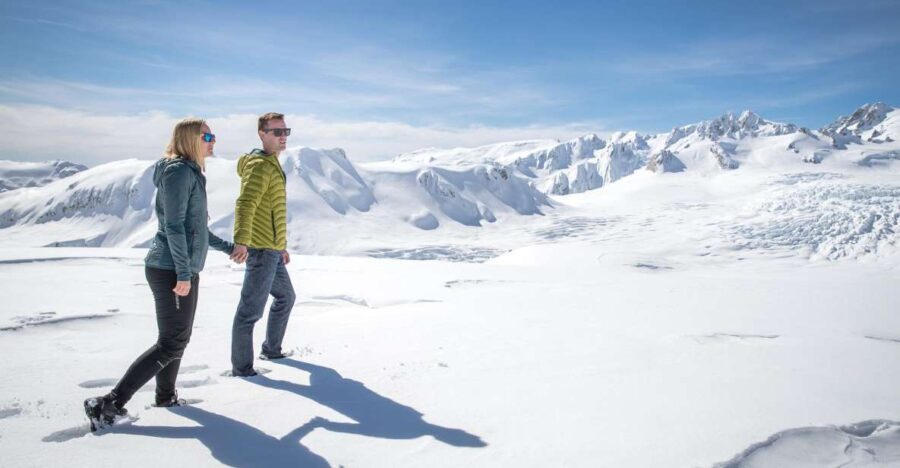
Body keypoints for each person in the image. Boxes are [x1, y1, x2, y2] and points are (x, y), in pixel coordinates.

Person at [83, 118, 246, 431]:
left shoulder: (191, 174)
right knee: (171, 343)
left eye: (213, 136)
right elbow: (172, 226)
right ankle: (108, 404)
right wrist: (183, 274)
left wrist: (229, 248)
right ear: (190, 140)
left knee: (176, 340)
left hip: (181, 268)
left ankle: (165, 396)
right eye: (208, 136)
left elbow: (195, 228)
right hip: (170, 268)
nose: (214, 141)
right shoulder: (177, 173)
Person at [229, 112, 296, 377]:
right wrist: (241, 241)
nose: (282, 137)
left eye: (285, 132)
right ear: (262, 134)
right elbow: (246, 204)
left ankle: (272, 349)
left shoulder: (271, 163)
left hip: (272, 249)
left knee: (286, 296)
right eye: (276, 132)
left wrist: (281, 245)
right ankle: (242, 369)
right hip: (259, 250)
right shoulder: (259, 166)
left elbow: (271, 209)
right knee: (249, 312)